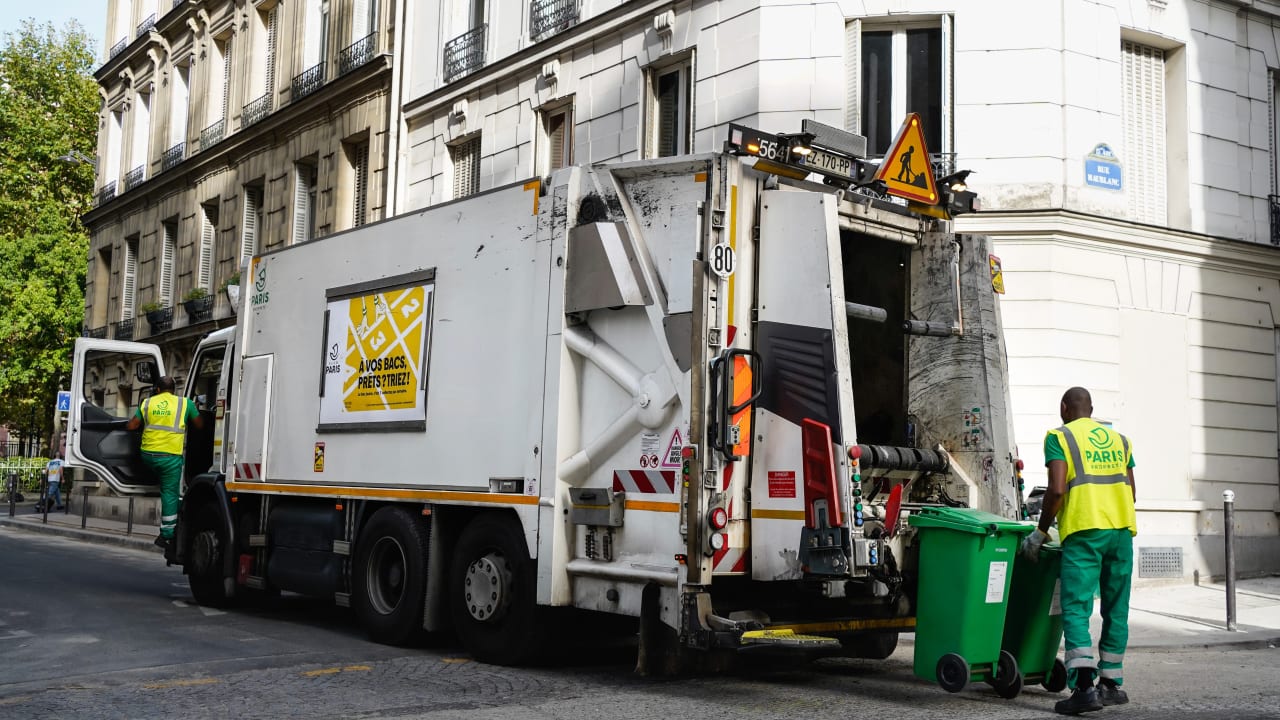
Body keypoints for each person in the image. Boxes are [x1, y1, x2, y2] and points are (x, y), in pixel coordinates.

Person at [1021, 387, 1136, 715]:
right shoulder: (1120, 440)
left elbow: (1057, 489)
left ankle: (1084, 688)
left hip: (1085, 532)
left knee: (1075, 607)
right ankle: (1111, 684)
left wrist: (1040, 532)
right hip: (1121, 531)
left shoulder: (1059, 437)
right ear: (1092, 409)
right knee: (1117, 607)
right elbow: (1131, 490)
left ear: (1064, 408)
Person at [126, 376, 203, 551]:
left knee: (167, 487)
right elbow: (200, 425)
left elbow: (132, 426)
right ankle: (167, 535)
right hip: (170, 458)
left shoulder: (147, 403)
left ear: (158, 390)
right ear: (174, 390)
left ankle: (175, 510)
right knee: (170, 493)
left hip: (147, 455)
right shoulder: (185, 404)